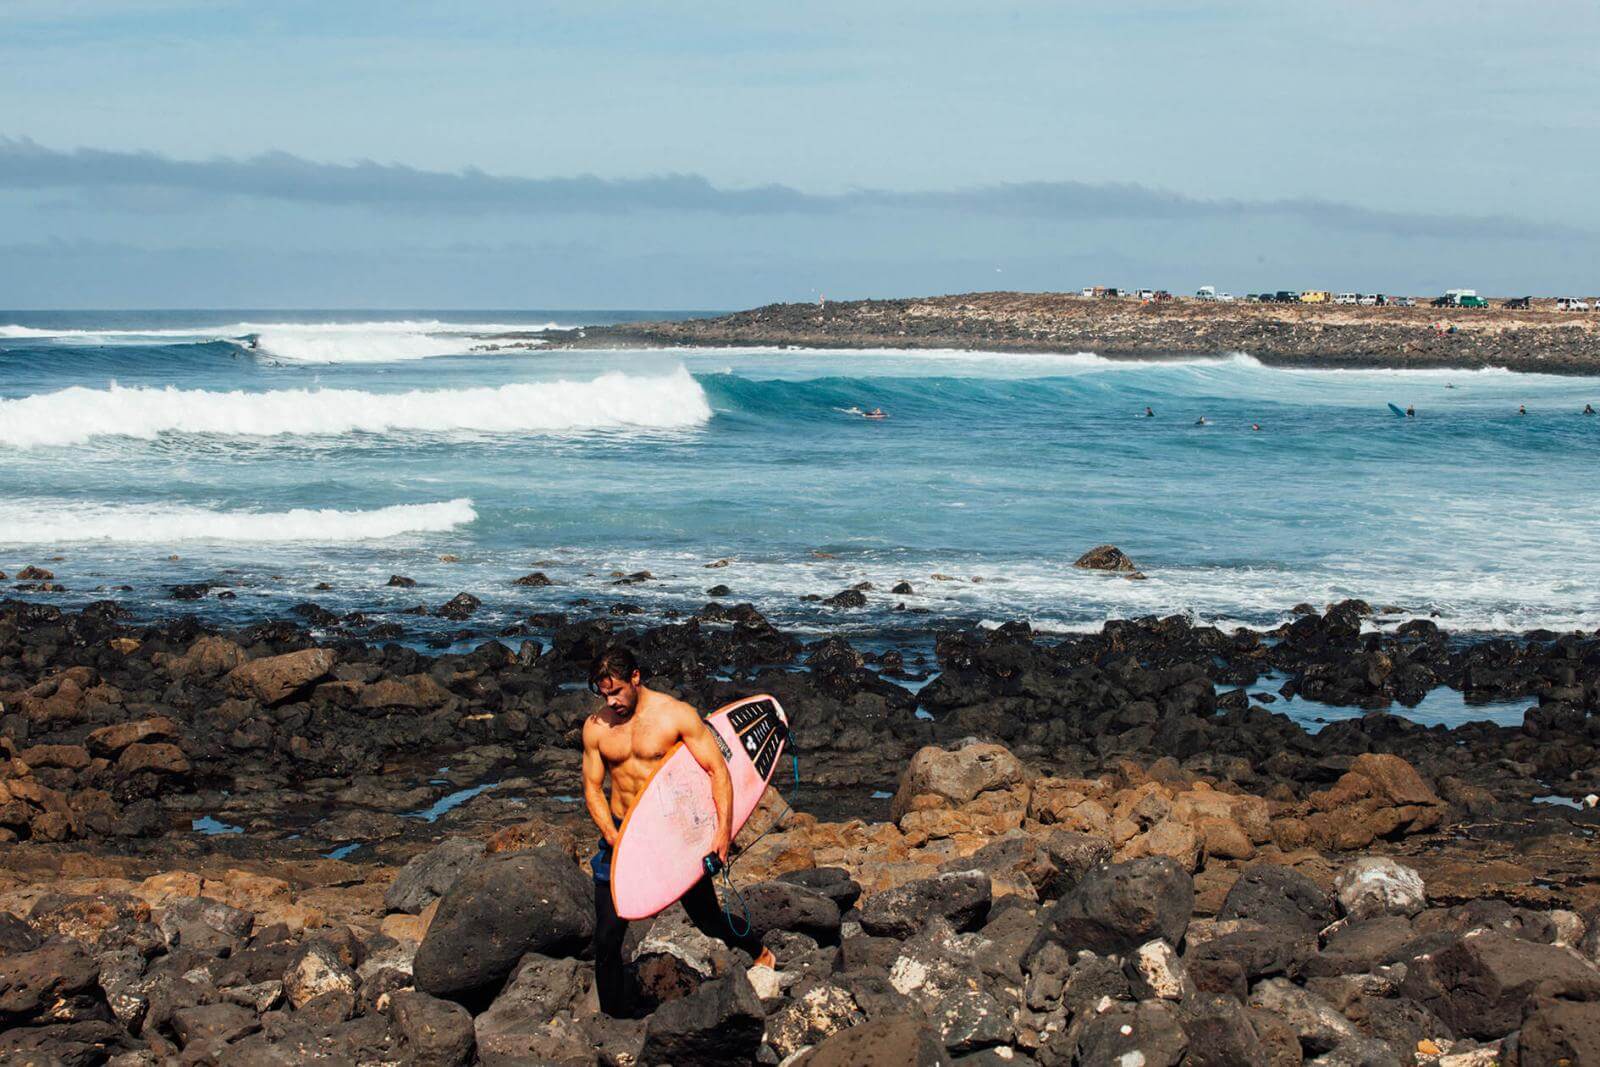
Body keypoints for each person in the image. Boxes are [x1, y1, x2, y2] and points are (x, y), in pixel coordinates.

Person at [581, 648, 774, 1017]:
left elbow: (718, 770)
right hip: (620, 837)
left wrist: (722, 833)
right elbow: (592, 787)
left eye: (617, 691)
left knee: (708, 919)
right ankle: (611, 1022)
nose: (611, 701)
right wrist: (610, 833)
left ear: (636, 677)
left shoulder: (676, 716)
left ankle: (759, 951)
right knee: (607, 938)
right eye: (604, 694)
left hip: (672, 835)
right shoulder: (597, 727)